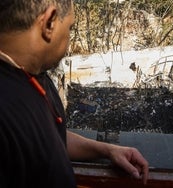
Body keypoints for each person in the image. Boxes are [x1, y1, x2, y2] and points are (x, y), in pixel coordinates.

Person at [0, 0, 149, 187]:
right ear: (49, 23)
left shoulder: (34, 73)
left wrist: (108, 150)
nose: (70, 38)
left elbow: (50, 137)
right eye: (70, 27)